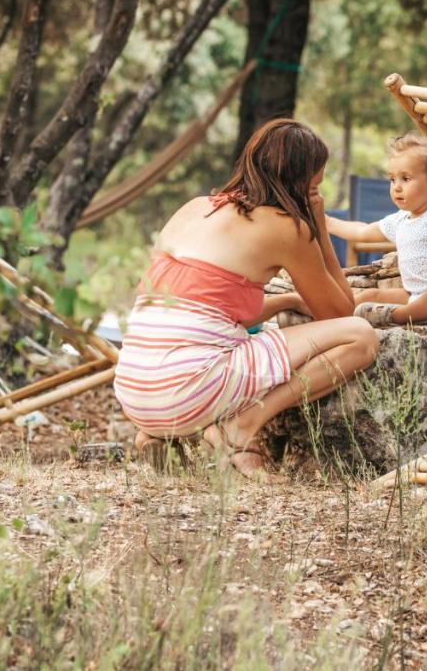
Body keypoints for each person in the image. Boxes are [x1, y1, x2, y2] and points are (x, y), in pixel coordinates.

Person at [113, 119, 378, 480]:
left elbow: (203, 311)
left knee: (228, 341)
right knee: (361, 336)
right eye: (316, 182)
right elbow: (341, 312)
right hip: (186, 390)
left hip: (135, 392)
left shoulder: (193, 208)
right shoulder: (286, 227)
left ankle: (158, 432)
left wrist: (285, 302)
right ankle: (239, 429)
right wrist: (317, 224)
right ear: (302, 181)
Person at [273, 133, 427, 327]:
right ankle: (325, 317)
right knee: (369, 296)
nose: (396, 187)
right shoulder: (401, 219)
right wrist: (327, 222)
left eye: (406, 178)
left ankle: (395, 317)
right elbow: (363, 231)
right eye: (392, 179)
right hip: (413, 296)